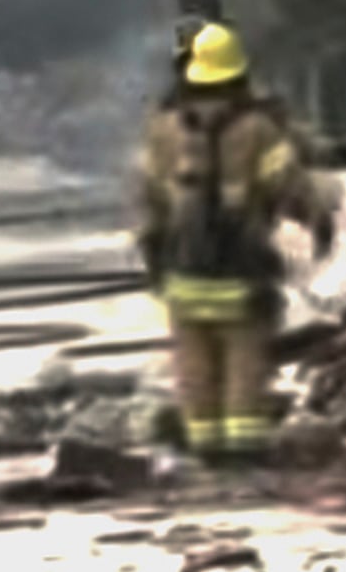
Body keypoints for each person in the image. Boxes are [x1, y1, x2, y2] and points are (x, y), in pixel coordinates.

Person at [134, 23, 335, 464]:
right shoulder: (258, 129)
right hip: (242, 274)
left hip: (183, 274)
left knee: (195, 367)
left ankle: (205, 450)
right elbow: (290, 187)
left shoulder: (164, 129)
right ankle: (243, 454)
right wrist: (320, 218)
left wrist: (151, 254)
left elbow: (147, 201)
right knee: (245, 365)